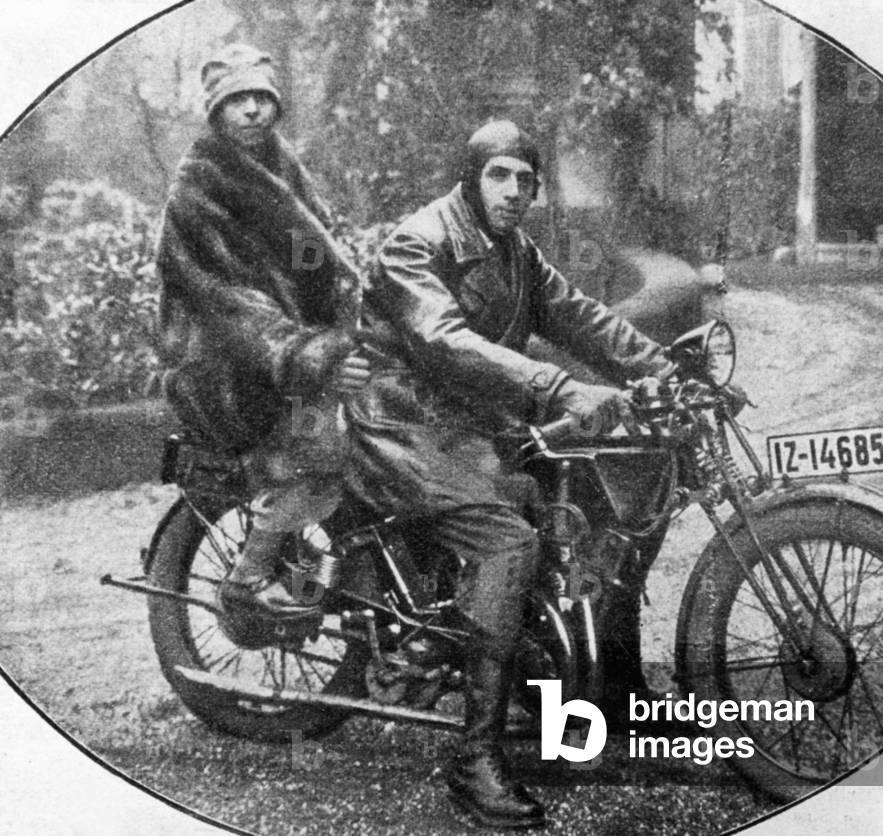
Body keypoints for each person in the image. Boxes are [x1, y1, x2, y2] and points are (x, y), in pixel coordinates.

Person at [345, 120, 674, 829]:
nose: (515, 191)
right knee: (507, 544)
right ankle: (472, 762)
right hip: (403, 425)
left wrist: (664, 369)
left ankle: (609, 689)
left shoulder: (516, 250)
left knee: (590, 493)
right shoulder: (417, 241)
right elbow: (442, 338)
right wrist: (556, 389)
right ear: (471, 177)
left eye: (526, 179)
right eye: (499, 175)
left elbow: (580, 316)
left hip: (468, 425)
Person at [155, 44, 369, 619]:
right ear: (215, 111)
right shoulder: (197, 191)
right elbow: (225, 304)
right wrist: (314, 352)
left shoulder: (282, 170)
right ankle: (247, 580)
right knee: (322, 454)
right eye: (236, 100)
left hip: (283, 355)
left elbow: (312, 260)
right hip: (223, 366)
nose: (251, 110)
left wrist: (354, 309)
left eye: (261, 98)